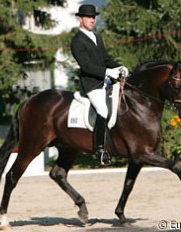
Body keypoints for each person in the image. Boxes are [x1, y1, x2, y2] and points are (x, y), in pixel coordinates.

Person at [71, 4, 128, 165]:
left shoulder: (97, 38)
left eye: (93, 17)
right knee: (102, 110)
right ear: (80, 19)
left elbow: (106, 59)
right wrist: (107, 72)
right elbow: (86, 66)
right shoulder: (77, 41)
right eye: (88, 17)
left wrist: (118, 67)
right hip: (91, 85)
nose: (92, 20)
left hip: (106, 82)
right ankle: (100, 150)